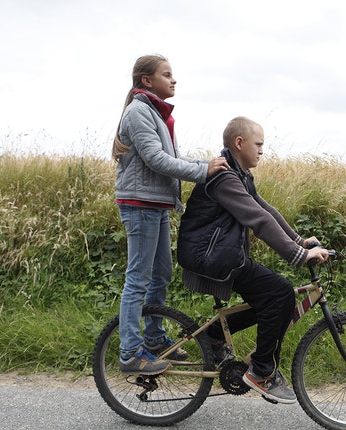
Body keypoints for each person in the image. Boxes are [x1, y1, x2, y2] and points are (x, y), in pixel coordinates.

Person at [177, 116, 330, 404]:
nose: (262, 150)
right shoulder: (224, 177)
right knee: (280, 294)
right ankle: (262, 371)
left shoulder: (239, 175)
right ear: (239, 143)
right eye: (258, 144)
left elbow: (265, 209)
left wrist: (299, 241)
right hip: (212, 256)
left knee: (274, 299)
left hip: (221, 254)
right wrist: (298, 255)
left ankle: (212, 337)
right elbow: (257, 219)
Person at [112, 54, 229, 375]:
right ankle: (130, 353)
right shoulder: (139, 113)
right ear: (146, 81)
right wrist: (203, 171)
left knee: (161, 274)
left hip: (155, 205)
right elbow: (157, 160)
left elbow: (173, 157)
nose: (173, 79)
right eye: (167, 74)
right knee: (137, 279)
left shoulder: (157, 114)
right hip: (140, 206)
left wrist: (204, 164)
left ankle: (154, 339)